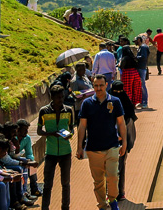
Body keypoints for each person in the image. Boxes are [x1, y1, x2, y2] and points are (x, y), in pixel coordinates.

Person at [76, 74, 127, 210]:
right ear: (93, 86)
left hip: (112, 146)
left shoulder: (115, 101)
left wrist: (125, 142)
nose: (98, 88)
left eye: (101, 85)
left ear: (106, 85)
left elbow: (121, 123)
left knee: (112, 176)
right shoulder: (86, 103)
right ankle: (102, 206)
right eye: (96, 85)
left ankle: (113, 201)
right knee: (98, 181)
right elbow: (82, 126)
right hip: (93, 149)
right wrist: (79, 147)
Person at [37, 85, 74, 210]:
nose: (61, 99)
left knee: (66, 183)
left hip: (66, 152)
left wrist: (68, 135)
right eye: (58, 97)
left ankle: (65, 207)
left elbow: (72, 129)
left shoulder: (68, 110)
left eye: (62, 96)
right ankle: (45, 208)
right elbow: (39, 131)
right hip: (51, 152)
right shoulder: (44, 111)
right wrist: (50, 134)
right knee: (47, 184)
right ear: (51, 97)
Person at [107, 81, 137, 202]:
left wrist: (126, 143)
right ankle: (109, 193)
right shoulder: (106, 103)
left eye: (120, 92)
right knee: (108, 169)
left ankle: (120, 192)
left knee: (120, 167)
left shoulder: (127, 109)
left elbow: (130, 128)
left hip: (121, 144)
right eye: (116, 92)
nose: (118, 95)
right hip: (107, 142)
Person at [115, 37, 142, 106]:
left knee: (127, 89)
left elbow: (121, 66)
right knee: (135, 89)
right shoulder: (133, 57)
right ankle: (135, 103)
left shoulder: (125, 58)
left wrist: (119, 64)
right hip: (135, 73)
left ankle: (128, 103)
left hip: (127, 74)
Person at [133, 35, 150, 109]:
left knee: (143, 86)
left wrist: (135, 58)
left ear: (139, 40)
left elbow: (143, 57)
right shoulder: (141, 47)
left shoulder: (143, 47)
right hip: (141, 68)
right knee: (140, 85)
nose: (135, 43)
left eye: (136, 41)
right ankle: (141, 101)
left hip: (141, 68)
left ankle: (144, 102)